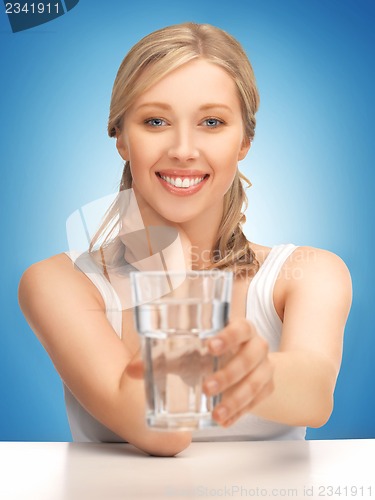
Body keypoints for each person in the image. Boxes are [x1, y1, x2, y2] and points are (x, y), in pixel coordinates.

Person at [18, 22, 352, 457]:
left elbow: (315, 396)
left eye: (211, 122)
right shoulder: (60, 283)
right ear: (120, 137)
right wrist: (161, 264)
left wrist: (258, 371)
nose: (183, 149)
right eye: (155, 121)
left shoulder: (306, 274)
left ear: (244, 140)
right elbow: (164, 433)